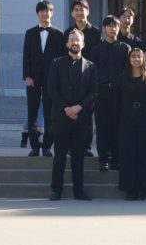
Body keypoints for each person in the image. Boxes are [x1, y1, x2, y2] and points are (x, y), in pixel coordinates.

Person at [48, 29, 98, 201]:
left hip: (81, 118)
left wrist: (78, 108)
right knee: (59, 156)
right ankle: (56, 190)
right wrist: (66, 109)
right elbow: (52, 90)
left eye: (78, 40)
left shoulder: (91, 66)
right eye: (72, 40)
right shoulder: (56, 63)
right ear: (67, 44)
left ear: (83, 44)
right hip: (61, 117)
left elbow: (93, 92)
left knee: (78, 156)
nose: (75, 43)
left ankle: (79, 190)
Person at [23, 0, 65, 157]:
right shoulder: (30, 33)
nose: (44, 13)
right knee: (32, 113)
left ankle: (47, 146)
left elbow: (62, 58)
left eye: (47, 11)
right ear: (37, 13)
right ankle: (34, 146)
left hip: (52, 79)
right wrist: (26, 76)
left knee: (50, 114)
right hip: (33, 79)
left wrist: (59, 80)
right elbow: (26, 56)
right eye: (41, 11)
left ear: (52, 13)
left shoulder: (59, 34)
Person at [89, 16, 131, 172]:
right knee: (102, 126)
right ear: (104, 28)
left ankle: (116, 158)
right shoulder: (96, 49)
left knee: (118, 126)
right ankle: (103, 159)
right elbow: (92, 72)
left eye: (116, 26)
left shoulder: (125, 48)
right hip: (101, 92)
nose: (113, 29)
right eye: (110, 26)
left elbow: (128, 71)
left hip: (119, 92)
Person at [117, 48, 146, 200]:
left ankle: (143, 188)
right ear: (129, 59)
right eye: (133, 56)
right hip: (127, 118)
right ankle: (130, 189)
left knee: (144, 153)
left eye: (139, 57)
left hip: (145, 118)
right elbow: (117, 100)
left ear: (143, 59)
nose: (136, 59)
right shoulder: (122, 78)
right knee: (129, 153)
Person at [63, 0, 101, 157]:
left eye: (82, 9)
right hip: (71, 76)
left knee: (87, 113)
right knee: (72, 111)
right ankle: (71, 146)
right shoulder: (67, 33)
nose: (79, 12)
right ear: (72, 13)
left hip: (89, 75)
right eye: (76, 9)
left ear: (88, 11)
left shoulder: (96, 32)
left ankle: (86, 146)